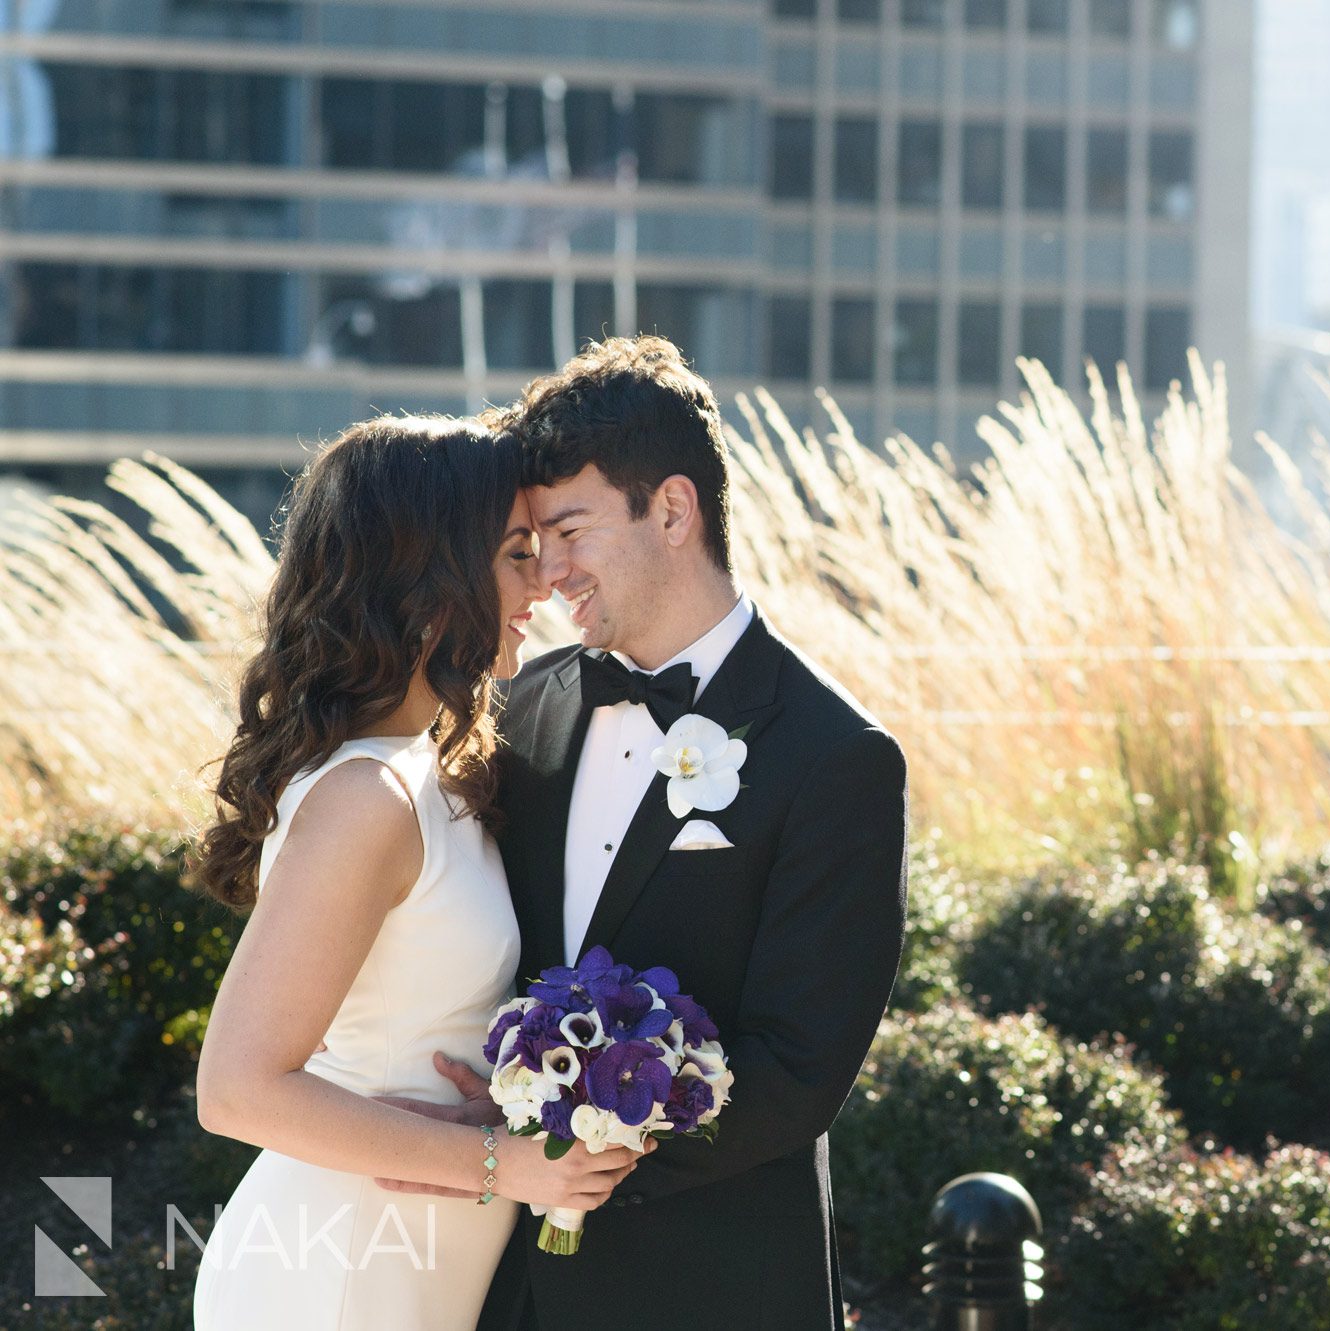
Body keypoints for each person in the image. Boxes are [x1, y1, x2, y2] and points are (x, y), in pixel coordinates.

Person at [377, 337, 910, 1329]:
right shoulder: (520, 709)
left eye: (570, 530)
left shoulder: (835, 756)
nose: (550, 573)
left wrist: (573, 1156)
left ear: (671, 509)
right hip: (506, 1284)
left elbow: (797, 1073)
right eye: (531, 543)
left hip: (714, 1286)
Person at [191, 416, 649, 1331]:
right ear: (432, 573)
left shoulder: (425, 770)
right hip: (339, 1275)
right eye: (517, 553)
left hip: (410, 1269)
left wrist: (499, 1120)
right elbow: (237, 1087)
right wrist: (508, 1165)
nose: (544, 583)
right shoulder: (367, 797)